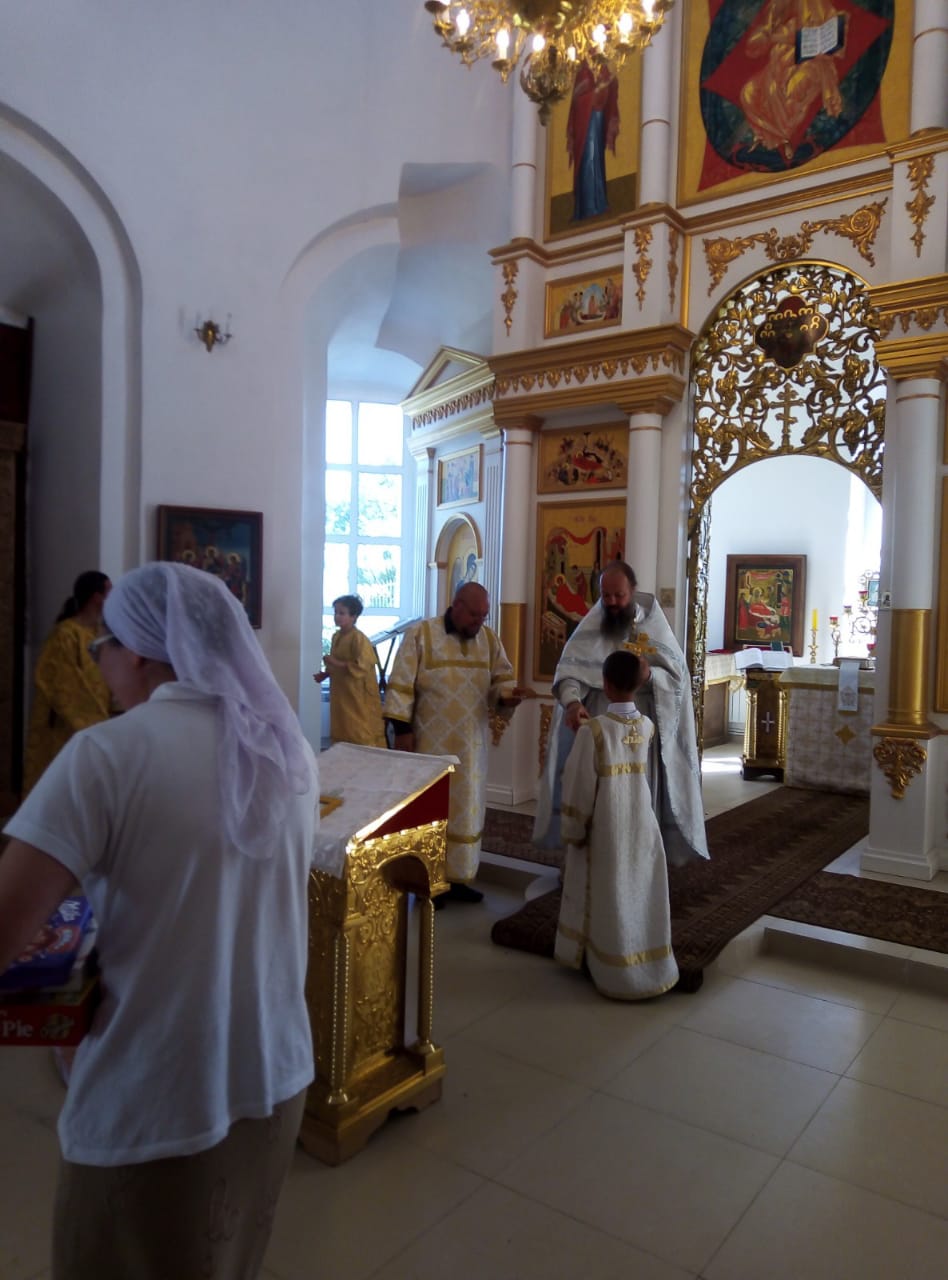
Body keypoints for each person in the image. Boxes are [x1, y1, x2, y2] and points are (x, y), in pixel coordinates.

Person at [0, 562, 325, 1279]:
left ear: (140, 652)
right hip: (274, 1081)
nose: (99, 663)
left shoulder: (107, 756)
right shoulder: (287, 750)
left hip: (156, 1097)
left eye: (103, 647)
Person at [534, 560, 709, 867]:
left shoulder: (654, 626)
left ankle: (640, 864)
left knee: (638, 796)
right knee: (595, 794)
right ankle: (588, 864)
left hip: (643, 733)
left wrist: (649, 676)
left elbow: (677, 679)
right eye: (606, 596)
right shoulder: (591, 627)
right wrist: (573, 703)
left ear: (633, 591)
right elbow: (569, 673)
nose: (612, 602)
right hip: (599, 729)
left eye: (619, 595)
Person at [384, 582, 524, 903]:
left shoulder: (489, 640)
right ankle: (427, 882)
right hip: (428, 746)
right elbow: (401, 685)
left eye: (484, 616)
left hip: (470, 748)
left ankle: (458, 879)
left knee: (466, 812)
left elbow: (502, 680)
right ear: (456, 605)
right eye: (474, 614)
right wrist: (402, 730)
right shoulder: (421, 635)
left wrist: (509, 697)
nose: (479, 621)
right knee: (429, 813)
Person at [556, 650, 679, 999]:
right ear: (639, 684)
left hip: (606, 827)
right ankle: (645, 961)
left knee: (607, 891)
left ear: (605, 685)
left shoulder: (594, 732)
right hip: (640, 822)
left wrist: (574, 829)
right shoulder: (647, 726)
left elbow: (579, 785)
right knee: (635, 889)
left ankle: (609, 966)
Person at [22, 570, 113, 796]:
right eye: (110, 591)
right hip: (66, 725)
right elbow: (62, 682)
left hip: (96, 722)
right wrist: (98, 724)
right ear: (97, 597)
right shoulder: (65, 634)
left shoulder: (100, 634)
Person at [314, 593, 386, 747]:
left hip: (356, 693)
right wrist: (325, 674)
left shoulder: (359, 638)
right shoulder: (336, 636)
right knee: (342, 725)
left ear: (353, 616)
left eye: (342, 613)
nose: (337, 616)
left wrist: (335, 662)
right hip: (341, 691)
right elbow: (335, 663)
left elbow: (363, 664)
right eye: (335, 612)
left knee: (358, 727)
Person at [566, 58, 619, 222]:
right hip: (584, 122)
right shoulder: (582, 68)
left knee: (594, 159)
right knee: (586, 160)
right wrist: (594, 93)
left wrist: (603, 89)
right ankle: (584, 208)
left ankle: (597, 204)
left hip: (595, 118)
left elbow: (608, 87)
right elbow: (577, 99)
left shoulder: (601, 64)